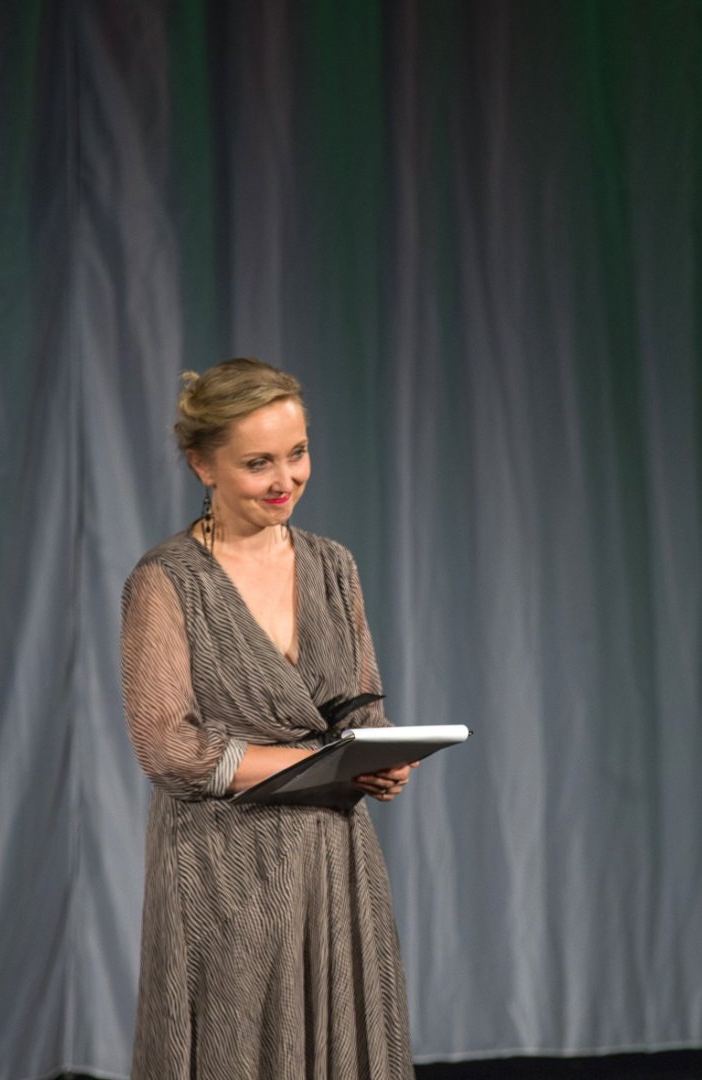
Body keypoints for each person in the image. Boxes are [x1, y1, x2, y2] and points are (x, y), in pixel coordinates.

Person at [120, 357, 416, 1078]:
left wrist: (380, 755)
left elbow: (360, 703)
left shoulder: (333, 566)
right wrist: (317, 765)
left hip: (333, 860)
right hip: (225, 869)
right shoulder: (166, 581)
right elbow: (167, 748)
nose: (286, 480)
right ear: (203, 466)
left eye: (297, 453)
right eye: (259, 463)